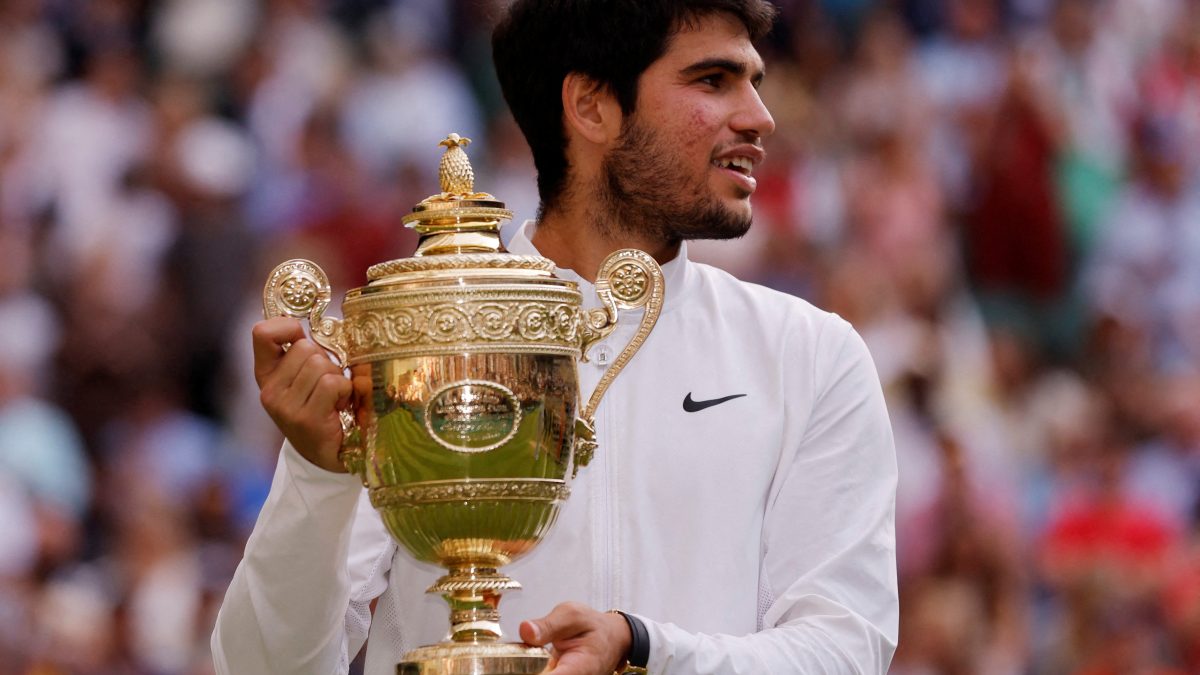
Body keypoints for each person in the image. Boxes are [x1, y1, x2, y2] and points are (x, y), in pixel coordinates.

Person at [211, 1, 899, 673]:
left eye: (755, 81)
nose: (759, 117)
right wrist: (318, 476)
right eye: (713, 81)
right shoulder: (413, 339)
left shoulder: (812, 356)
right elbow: (260, 666)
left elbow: (844, 649)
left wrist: (646, 649)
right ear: (592, 106)